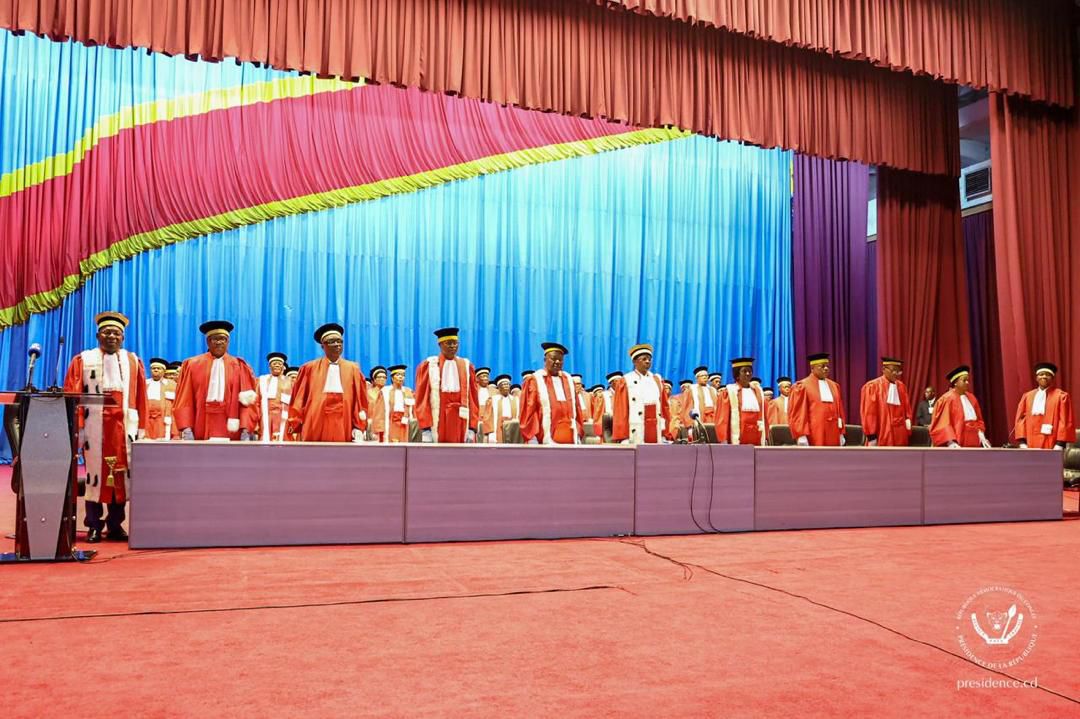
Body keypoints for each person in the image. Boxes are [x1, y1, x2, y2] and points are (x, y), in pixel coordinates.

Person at [63, 311, 148, 543]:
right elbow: (72, 395)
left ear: (123, 337)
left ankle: (115, 525)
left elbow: (141, 397)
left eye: (117, 333)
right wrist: (77, 428)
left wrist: (143, 428)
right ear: (98, 335)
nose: (112, 336)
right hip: (95, 428)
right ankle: (93, 525)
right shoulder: (83, 360)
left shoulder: (133, 361)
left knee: (121, 477)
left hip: (123, 429)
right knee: (95, 477)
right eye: (107, 332)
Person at [174, 320, 259, 441]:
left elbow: (248, 402)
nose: (219, 342)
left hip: (231, 426)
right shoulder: (192, 365)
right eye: (215, 339)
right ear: (208, 342)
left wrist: (246, 428)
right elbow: (184, 398)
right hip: (201, 422)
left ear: (228, 342)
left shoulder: (240, 366)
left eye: (223, 339)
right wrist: (186, 427)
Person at [287, 323, 368, 442]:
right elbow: (299, 399)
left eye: (339, 341)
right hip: (315, 418)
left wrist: (359, 426)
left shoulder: (353, 369)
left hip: (344, 418)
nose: (337, 344)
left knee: (341, 451)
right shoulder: (309, 368)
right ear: (322, 346)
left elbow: (360, 399)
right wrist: (295, 424)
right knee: (314, 450)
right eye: (331, 341)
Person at [414, 327, 480, 443]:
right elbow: (422, 399)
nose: (453, 346)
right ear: (440, 344)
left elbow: (473, 399)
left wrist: (472, 427)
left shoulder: (466, 366)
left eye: (455, 343)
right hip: (438, 419)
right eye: (449, 343)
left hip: (461, 421)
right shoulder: (429, 366)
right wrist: (425, 428)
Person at [519, 343, 584, 444]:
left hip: (570, 437)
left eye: (560, 360)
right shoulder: (535, 380)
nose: (557, 362)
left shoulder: (568, 380)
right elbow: (529, 410)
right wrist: (532, 437)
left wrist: (578, 432)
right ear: (545, 360)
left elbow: (577, 409)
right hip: (544, 438)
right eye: (553, 359)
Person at [611, 344, 671, 444]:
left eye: (649, 359)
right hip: (635, 427)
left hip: (655, 427)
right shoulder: (626, 380)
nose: (647, 361)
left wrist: (665, 432)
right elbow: (621, 410)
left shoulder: (657, 379)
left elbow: (664, 407)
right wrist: (623, 436)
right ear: (634, 362)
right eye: (644, 359)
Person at [1013, 362, 1076, 449]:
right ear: (1036, 378)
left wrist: (1060, 444)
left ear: (1053, 378)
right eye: (1041, 374)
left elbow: (1065, 421)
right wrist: (1022, 442)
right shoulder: (1027, 396)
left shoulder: (1061, 396)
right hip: (1030, 442)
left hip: (1052, 442)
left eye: (1048, 374)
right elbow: (1020, 420)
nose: (1044, 377)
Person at [788, 353, 846, 446]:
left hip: (833, 432)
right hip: (814, 433)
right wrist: (801, 435)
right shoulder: (802, 386)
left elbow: (840, 412)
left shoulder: (834, 386)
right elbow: (798, 413)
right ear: (812, 368)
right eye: (822, 366)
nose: (826, 368)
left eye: (827, 366)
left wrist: (841, 432)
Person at [929, 365, 992, 448]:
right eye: (964, 380)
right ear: (955, 383)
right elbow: (943, 423)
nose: (967, 382)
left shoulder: (972, 398)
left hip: (974, 440)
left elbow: (979, 420)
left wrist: (981, 435)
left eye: (968, 380)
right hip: (957, 441)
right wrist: (950, 442)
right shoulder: (946, 399)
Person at [859, 357, 913, 447]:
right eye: (893, 370)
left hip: (900, 434)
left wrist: (908, 428)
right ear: (884, 369)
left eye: (898, 371)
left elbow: (907, 410)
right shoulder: (872, 386)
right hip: (882, 432)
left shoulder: (901, 387)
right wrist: (872, 436)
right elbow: (869, 414)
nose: (896, 373)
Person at [717, 357, 768, 445]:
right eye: (744, 371)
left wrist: (766, 435)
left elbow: (764, 416)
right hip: (738, 435)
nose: (748, 373)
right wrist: (723, 439)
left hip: (756, 434)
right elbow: (722, 419)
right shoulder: (729, 392)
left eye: (750, 371)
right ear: (737, 374)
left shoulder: (758, 392)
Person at [375, 365, 415, 443]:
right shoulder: (385, 391)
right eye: (398, 375)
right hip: (390, 422)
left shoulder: (408, 391)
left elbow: (413, 411)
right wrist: (379, 428)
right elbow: (379, 411)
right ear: (392, 378)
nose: (401, 377)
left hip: (404, 423)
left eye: (403, 375)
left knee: (404, 443)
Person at [258, 352, 291, 442]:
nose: (277, 365)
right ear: (269, 367)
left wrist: (293, 421)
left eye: (279, 364)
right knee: (266, 439)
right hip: (266, 416)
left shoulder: (290, 381)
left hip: (283, 416)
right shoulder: (262, 380)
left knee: (283, 440)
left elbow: (295, 402)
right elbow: (256, 401)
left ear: (283, 367)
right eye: (274, 363)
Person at [144, 357, 173, 440]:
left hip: (162, 418)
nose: (156, 370)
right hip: (147, 417)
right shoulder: (144, 383)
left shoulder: (171, 384)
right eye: (153, 368)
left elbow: (172, 404)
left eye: (158, 368)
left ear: (164, 371)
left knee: (161, 439)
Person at [489, 375, 520, 443]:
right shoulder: (493, 400)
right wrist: (491, 433)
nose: (506, 386)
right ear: (499, 387)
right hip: (498, 427)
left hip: (512, 428)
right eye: (503, 384)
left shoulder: (515, 400)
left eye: (507, 384)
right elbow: (489, 418)